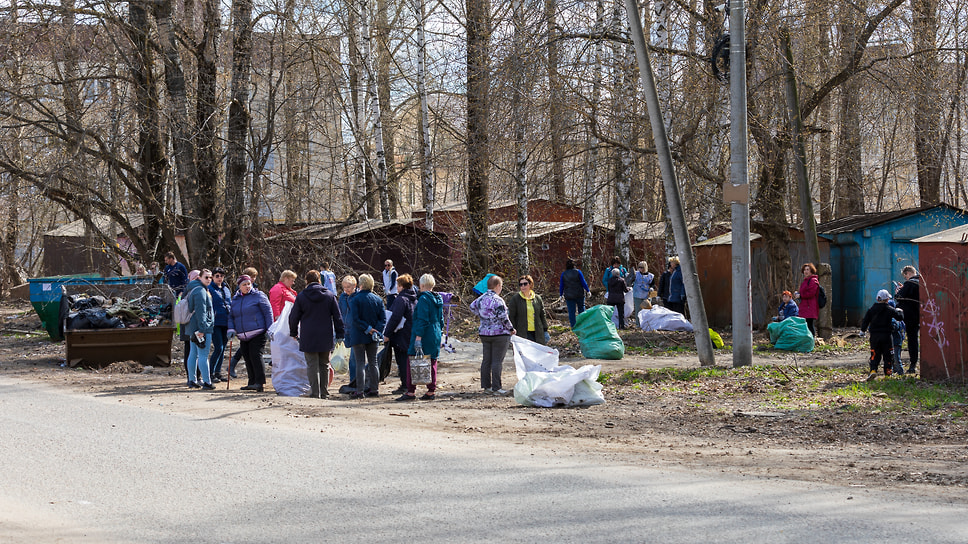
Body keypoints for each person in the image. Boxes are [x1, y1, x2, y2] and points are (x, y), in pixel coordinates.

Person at [289, 270, 344, 399]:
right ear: (319, 280)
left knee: (311, 364)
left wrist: (293, 332)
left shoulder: (302, 296)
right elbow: (337, 316)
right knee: (324, 364)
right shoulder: (329, 295)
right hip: (325, 334)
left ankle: (314, 392)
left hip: (308, 335)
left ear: (306, 281)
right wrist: (340, 333)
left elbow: (293, 316)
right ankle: (324, 392)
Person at [398, 274, 444, 401]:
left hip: (425, 333)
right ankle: (431, 390)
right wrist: (440, 333)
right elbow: (441, 319)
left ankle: (411, 391)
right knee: (432, 360)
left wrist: (418, 337)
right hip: (435, 332)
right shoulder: (438, 298)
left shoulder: (424, 299)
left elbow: (422, 319)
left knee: (412, 359)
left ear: (422, 285)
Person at [469, 275, 515, 395]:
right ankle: (497, 388)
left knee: (486, 360)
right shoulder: (498, 300)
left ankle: (486, 386)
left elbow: (472, 307)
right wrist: (511, 329)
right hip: (499, 333)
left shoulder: (480, 299)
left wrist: (482, 315)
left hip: (484, 333)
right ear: (497, 286)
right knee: (497, 361)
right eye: (501, 286)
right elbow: (503, 317)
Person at [228, 274, 273, 392]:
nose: (247, 286)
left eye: (249, 284)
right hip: (243, 335)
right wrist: (231, 329)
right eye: (244, 284)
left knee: (255, 355)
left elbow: (268, 313)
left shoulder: (258, 295)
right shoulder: (236, 299)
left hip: (258, 331)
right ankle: (251, 381)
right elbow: (231, 316)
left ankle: (259, 382)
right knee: (247, 357)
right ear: (239, 286)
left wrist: (270, 329)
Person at [347, 274, 386, 398]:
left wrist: (368, 329)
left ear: (361, 285)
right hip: (373, 337)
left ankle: (360, 390)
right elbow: (383, 319)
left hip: (359, 335)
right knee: (373, 362)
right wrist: (375, 330)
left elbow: (355, 319)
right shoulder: (378, 300)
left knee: (360, 363)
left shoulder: (355, 299)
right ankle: (374, 389)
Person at [384, 274, 417, 396]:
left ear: (402, 286)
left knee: (402, 360)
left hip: (401, 334)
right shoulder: (414, 298)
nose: (397, 288)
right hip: (410, 332)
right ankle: (408, 383)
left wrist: (387, 333)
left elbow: (395, 318)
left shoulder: (401, 299)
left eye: (398, 285)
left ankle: (405, 385)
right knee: (407, 359)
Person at [860, 289, 904, 381]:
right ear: (887, 299)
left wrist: (862, 331)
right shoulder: (889, 309)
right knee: (888, 354)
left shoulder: (871, 309)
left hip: (874, 337)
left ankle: (873, 370)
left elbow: (865, 321)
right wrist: (900, 311)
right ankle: (888, 372)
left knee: (874, 353)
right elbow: (899, 317)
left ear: (877, 299)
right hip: (887, 336)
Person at [184, 269, 215, 390]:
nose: (209, 280)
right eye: (206, 277)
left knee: (193, 353)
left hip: (193, 327)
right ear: (199, 278)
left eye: (210, 277)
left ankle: (192, 380)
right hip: (201, 328)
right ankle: (207, 382)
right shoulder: (201, 291)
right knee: (203, 354)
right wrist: (203, 329)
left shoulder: (193, 288)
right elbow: (201, 312)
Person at [228, 266, 260, 378]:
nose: (254, 279)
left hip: (252, 324)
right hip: (245, 323)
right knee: (244, 349)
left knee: (246, 349)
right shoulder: (240, 291)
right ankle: (232, 365)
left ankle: (232, 364)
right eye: (253, 277)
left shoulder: (255, 289)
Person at [208, 267, 232, 382]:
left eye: (221, 276)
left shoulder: (226, 289)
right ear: (212, 277)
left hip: (226, 321)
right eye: (217, 276)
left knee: (223, 349)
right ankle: (210, 372)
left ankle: (218, 372)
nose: (219, 278)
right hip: (215, 322)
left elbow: (229, 303)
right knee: (218, 347)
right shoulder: (210, 289)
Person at [508, 275, 549, 344]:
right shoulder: (515, 299)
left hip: (537, 331)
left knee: (536, 353)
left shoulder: (537, 298)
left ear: (530, 284)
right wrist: (512, 330)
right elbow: (511, 316)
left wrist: (545, 329)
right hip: (523, 332)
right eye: (520, 285)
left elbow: (542, 314)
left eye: (525, 284)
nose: (523, 286)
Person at [895, 266, 920, 375]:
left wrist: (898, 291)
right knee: (915, 339)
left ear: (908, 273)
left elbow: (899, 296)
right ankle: (914, 363)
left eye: (905, 276)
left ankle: (911, 364)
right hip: (920, 316)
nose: (905, 279)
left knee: (911, 340)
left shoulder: (910, 284)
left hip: (910, 317)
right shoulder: (921, 282)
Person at [337, 275, 359, 393]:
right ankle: (352, 381)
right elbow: (340, 311)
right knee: (349, 358)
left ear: (354, 286)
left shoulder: (357, 297)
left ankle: (356, 382)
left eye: (349, 287)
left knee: (355, 359)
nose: (346, 290)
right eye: (344, 287)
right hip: (346, 330)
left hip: (355, 330)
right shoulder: (343, 297)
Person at [559, 258, 590, 328]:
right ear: (574, 265)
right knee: (581, 310)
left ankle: (573, 326)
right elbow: (583, 282)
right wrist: (588, 290)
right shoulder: (578, 272)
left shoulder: (563, 274)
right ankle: (583, 325)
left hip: (569, 295)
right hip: (579, 294)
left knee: (571, 312)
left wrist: (561, 295)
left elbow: (561, 285)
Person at [796, 262, 820, 338]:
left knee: (809, 324)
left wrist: (800, 295)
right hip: (805, 306)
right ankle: (808, 341)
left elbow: (811, 293)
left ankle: (811, 340)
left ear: (811, 271)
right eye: (804, 270)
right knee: (806, 324)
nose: (806, 271)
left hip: (810, 306)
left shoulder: (813, 281)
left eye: (808, 270)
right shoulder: (805, 281)